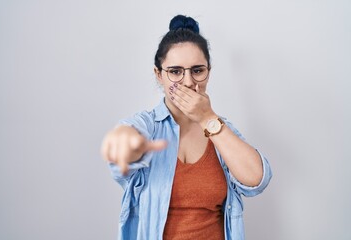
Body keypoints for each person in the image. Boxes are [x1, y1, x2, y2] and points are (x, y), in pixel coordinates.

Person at [101, 15, 272, 240]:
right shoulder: (148, 125)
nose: (189, 82)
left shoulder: (220, 129)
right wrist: (126, 142)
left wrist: (207, 118)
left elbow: (257, 180)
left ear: (208, 72)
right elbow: (127, 136)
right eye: (175, 71)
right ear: (159, 75)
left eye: (197, 70)